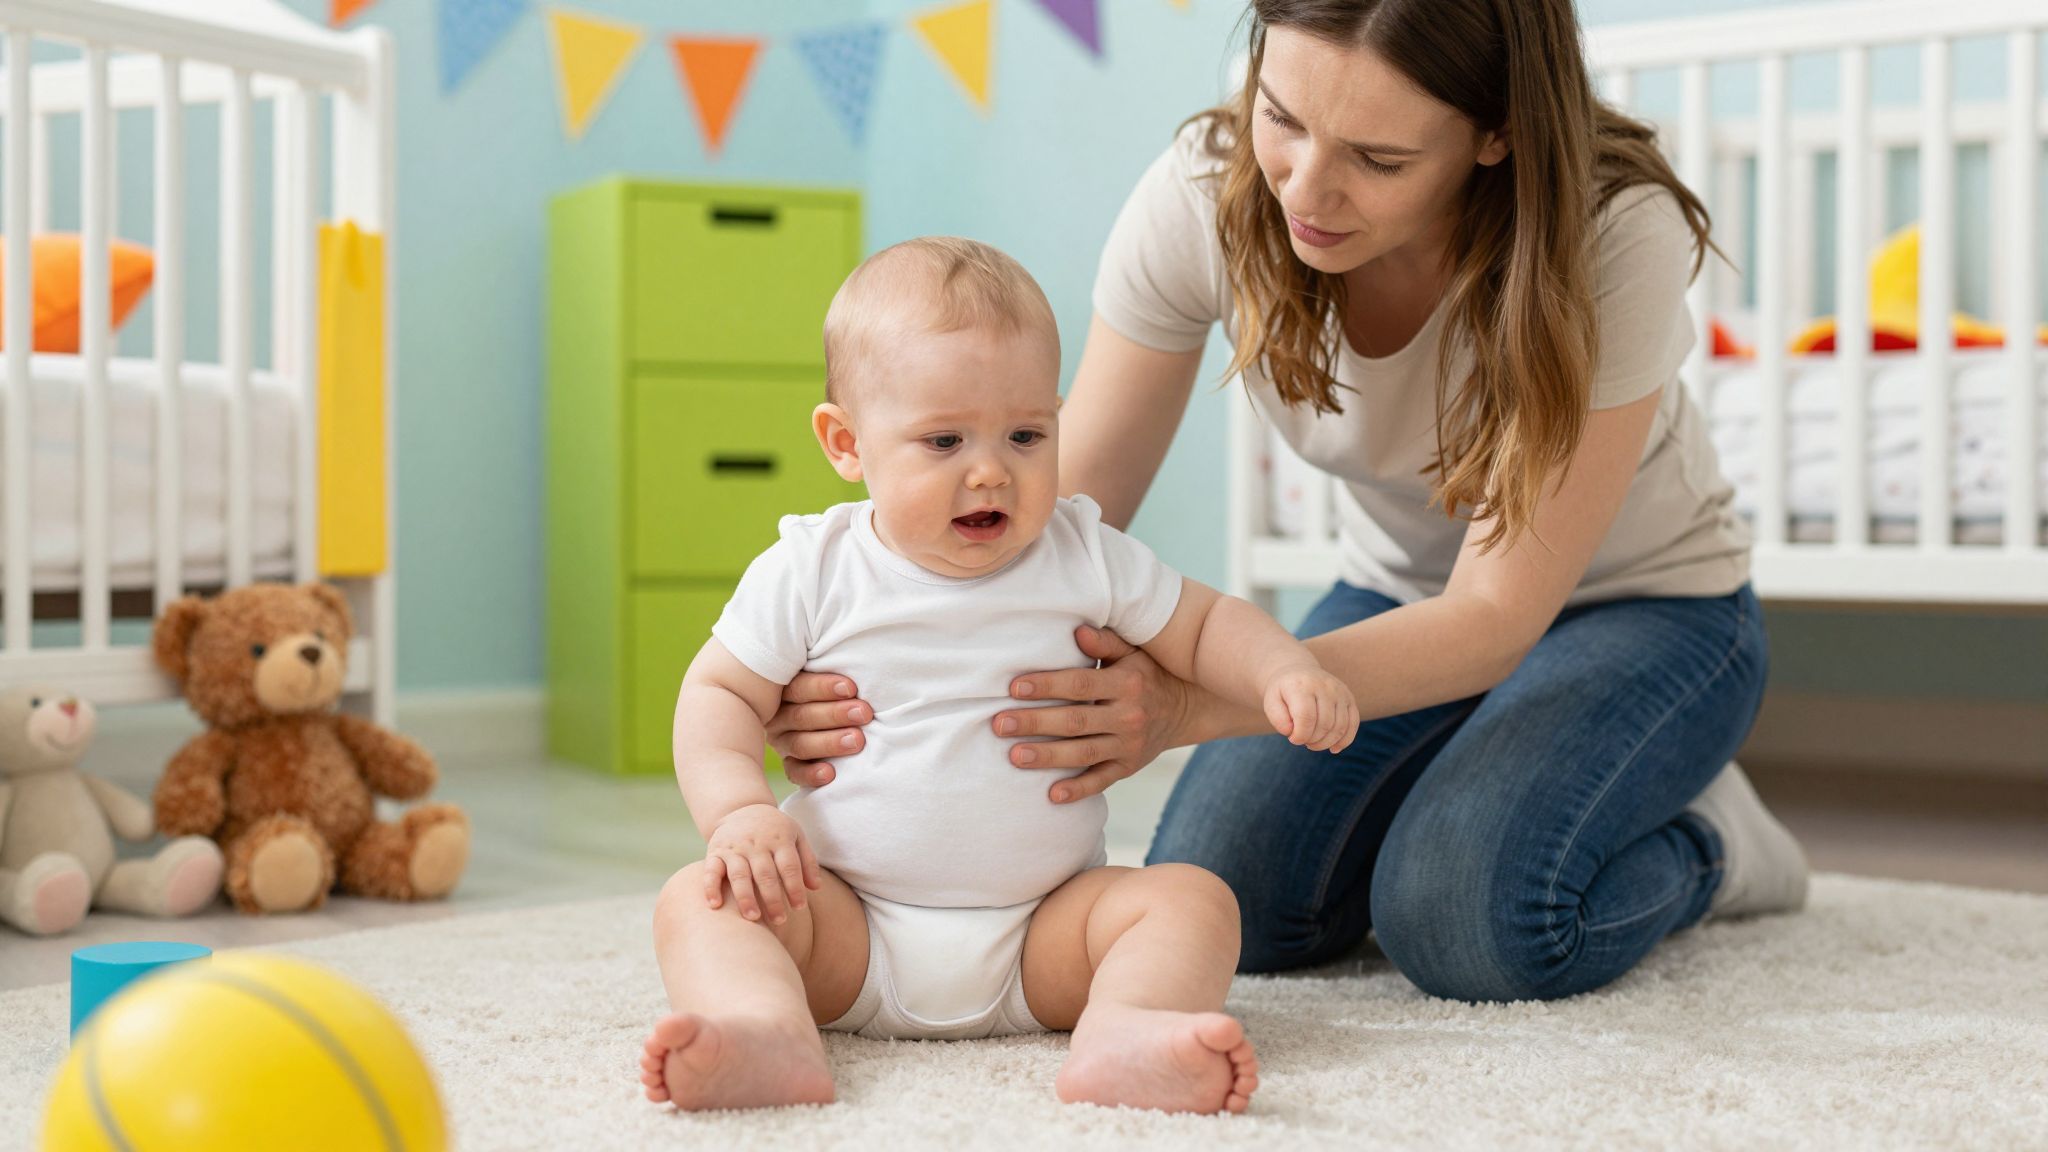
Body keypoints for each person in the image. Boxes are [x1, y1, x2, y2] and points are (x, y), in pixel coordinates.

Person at [767, 0, 1809, 1006]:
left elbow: (1494, 616)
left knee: (1466, 917)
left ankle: (1715, 841)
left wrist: (1183, 704)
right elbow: (1060, 514)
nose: (1305, 188)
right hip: (1397, 598)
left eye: (1378, 159)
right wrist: (867, 658)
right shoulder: (1204, 192)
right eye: (1281, 115)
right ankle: (1475, 774)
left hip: (1645, 610)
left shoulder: (1610, 231)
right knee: (1236, 900)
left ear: (1495, 134)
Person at [640, 236, 1361, 1114]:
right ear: (846, 443)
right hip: (845, 924)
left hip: (1044, 933)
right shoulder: (812, 567)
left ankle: (1127, 1029)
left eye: (1026, 435)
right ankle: (763, 1029)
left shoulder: (1082, 550)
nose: (991, 470)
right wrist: (739, 813)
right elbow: (718, 694)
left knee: (1194, 899)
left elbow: (1205, 623)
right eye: (944, 440)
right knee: (700, 898)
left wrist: (1282, 666)